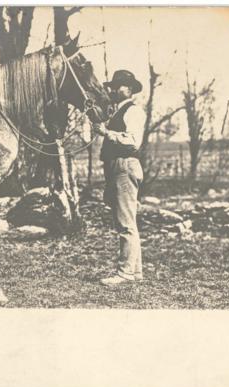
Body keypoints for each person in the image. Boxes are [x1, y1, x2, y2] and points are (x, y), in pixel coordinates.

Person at [92, 70, 146, 285]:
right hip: (117, 166)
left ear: (130, 89)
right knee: (128, 221)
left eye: (120, 85)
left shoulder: (133, 111)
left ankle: (124, 273)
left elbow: (133, 142)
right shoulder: (118, 112)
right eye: (114, 86)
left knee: (125, 223)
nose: (114, 90)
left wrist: (106, 133)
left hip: (125, 165)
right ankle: (135, 272)